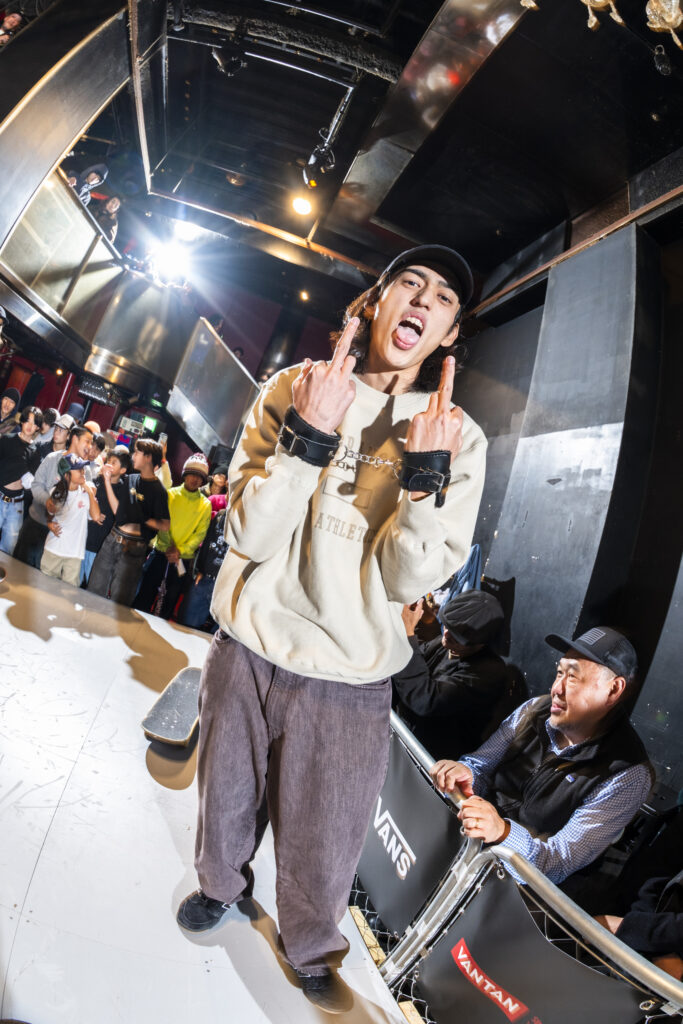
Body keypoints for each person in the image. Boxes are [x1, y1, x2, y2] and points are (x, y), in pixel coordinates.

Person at [176, 244, 487, 1013]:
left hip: (350, 675)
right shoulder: (295, 386)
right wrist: (308, 435)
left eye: (443, 298)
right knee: (225, 797)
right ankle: (220, 885)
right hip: (250, 644)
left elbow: (407, 581)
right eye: (409, 282)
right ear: (375, 301)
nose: (422, 300)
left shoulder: (458, 436)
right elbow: (247, 532)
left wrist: (425, 477)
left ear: (449, 333)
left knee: (328, 834)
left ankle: (310, 944)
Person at [430, 627, 653, 886]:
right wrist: (466, 773)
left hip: (514, 893)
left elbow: (558, 862)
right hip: (464, 852)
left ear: (613, 690)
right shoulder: (536, 709)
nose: (556, 688)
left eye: (573, 677)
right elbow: (481, 765)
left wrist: (502, 832)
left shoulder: (628, 774)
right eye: (559, 672)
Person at [393, 589, 507, 758]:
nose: (446, 635)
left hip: (431, 756)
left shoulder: (488, 673)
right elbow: (409, 665)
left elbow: (426, 700)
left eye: (457, 636)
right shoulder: (446, 644)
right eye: (447, 626)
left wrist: (407, 636)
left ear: (480, 643)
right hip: (404, 735)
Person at [87, 438, 169, 605]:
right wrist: (107, 481)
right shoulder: (131, 479)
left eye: (137, 452)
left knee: (120, 600)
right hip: (112, 538)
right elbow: (118, 510)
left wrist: (143, 518)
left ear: (148, 457)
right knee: (94, 589)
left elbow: (165, 525)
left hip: (134, 548)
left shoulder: (158, 490)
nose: (133, 456)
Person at [134, 454, 211, 619]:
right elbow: (161, 521)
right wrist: (170, 546)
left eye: (200, 476)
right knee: (144, 595)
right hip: (161, 553)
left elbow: (200, 534)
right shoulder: (169, 494)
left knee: (168, 603)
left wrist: (179, 550)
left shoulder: (206, 505)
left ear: (203, 480)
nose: (195, 479)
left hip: (182, 560)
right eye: (192, 474)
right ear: (185, 474)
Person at [14, 425, 93, 567]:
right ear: (75, 439)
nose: (90, 446)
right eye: (87, 441)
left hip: (58, 536)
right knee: (18, 568)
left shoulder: (85, 470)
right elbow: (36, 485)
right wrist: (48, 501)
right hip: (35, 524)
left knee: (42, 576)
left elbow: (85, 500)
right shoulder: (53, 458)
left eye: (91, 443)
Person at [595, 869, 683, 980]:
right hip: (637, 958)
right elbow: (657, 883)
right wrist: (657, 949)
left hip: (667, 978)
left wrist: (629, 926)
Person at [41, 454, 99, 587]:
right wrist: (49, 523)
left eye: (83, 469)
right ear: (67, 475)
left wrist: (90, 493)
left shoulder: (86, 492)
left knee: (69, 593)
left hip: (75, 554)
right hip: (54, 549)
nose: (83, 472)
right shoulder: (56, 492)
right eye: (78, 469)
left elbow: (96, 517)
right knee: (44, 587)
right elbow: (50, 513)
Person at [177, 500, 229, 632]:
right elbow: (207, 542)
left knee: (218, 633)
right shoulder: (220, 515)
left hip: (226, 585)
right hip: (206, 577)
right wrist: (199, 569)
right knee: (187, 623)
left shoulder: (250, 522)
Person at [82, 445, 131, 584]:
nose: (109, 464)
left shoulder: (123, 489)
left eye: (114, 463)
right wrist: (92, 514)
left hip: (100, 546)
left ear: (123, 470)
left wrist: (108, 481)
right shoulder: (97, 480)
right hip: (83, 539)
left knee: (92, 584)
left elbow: (119, 512)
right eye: (108, 461)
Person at [0, 405, 42, 555]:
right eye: (28, 421)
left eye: (34, 423)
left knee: (9, 548)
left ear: (38, 427)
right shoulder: (7, 439)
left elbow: (30, 483)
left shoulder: (35, 452)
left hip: (17, 503)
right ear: (22, 421)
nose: (30, 426)